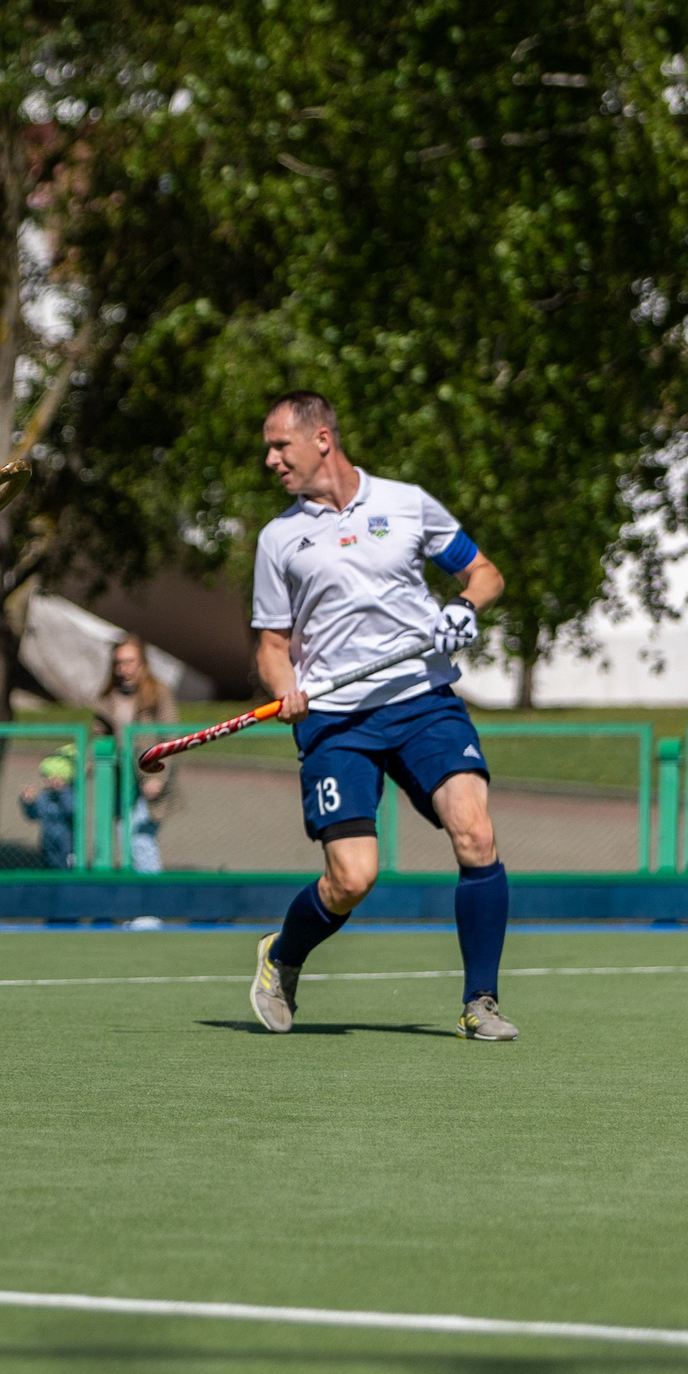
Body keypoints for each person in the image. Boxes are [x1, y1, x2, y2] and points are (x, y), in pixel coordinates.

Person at [235, 390, 519, 1042]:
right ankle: (283, 956)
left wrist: (465, 608)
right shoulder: (279, 539)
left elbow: (484, 572)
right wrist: (287, 690)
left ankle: (481, 999)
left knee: (475, 831)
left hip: (423, 699)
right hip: (337, 719)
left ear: (323, 439)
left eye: (282, 446)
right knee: (353, 877)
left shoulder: (405, 503)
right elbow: (272, 646)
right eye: (268, 450)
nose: (273, 461)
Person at [92, 637, 174, 873]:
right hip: (120, 780)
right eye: (119, 663)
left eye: (130, 662)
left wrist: (159, 777)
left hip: (148, 776)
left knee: (141, 839)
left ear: (142, 663)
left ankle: (149, 905)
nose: (124, 669)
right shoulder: (108, 698)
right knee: (124, 839)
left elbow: (171, 738)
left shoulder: (159, 693)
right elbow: (98, 737)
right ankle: (137, 898)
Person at [19, 751, 77, 869]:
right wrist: (28, 803)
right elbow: (34, 815)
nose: (44, 780)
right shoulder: (44, 796)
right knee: (49, 868)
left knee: (67, 870)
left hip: (67, 845)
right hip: (48, 845)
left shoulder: (71, 794)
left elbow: (71, 810)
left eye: (47, 777)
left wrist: (62, 792)